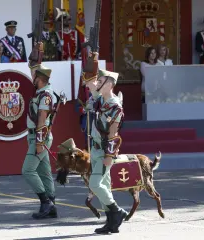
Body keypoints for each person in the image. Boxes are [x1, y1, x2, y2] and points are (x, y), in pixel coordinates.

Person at [83, 52, 127, 234]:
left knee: (95, 184)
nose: (97, 83)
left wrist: (109, 156)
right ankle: (111, 222)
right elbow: (89, 86)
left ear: (109, 84)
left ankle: (117, 211)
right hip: (95, 149)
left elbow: (113, 134)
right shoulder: (102, 100)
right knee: (105, 186)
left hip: (103, 151)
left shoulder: (115, 106)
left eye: (101, 81)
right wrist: (91, 62)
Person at [22, 42, 57, 219]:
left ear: (40, 79)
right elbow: (33, 68)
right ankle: (52, 205)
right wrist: (38, 52)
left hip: (39, 137)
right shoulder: (42, 91)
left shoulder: (45, 95)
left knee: (27, 170)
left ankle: (45, 202)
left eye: (34, 75)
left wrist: (39, 143)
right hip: (38, 137)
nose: (32, 77)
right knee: (44, 172)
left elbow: (42, 119)